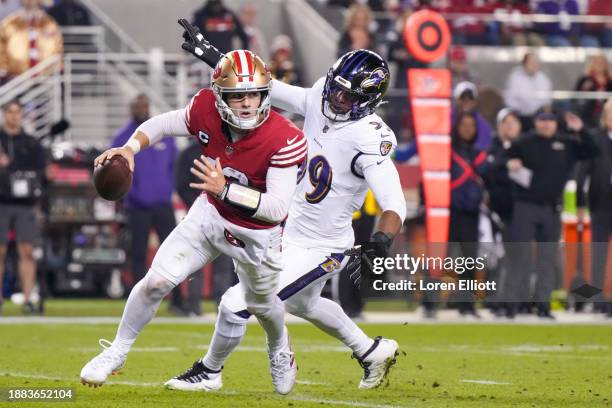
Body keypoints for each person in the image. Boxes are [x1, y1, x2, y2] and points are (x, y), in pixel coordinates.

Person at [167, 21, 406, 392]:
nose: (336, 100)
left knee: (235, 303)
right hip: (286, 230)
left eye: (347, 97)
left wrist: (382, 239)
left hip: (322, 245)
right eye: (336, 89)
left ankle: (209, 371)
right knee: (304, 304)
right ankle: (370, 350)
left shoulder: (369, 138)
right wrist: (215, 56)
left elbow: (394, 202)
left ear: (368, 102)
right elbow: (272, 90)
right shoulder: (318, 98)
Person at [80, 49, 306, 395]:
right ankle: (117, 350)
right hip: (211, 214)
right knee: (155, 281)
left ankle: (279, 349)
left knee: (262, 305)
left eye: (254, 94)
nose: (246, 103)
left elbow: (276, 209)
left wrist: (226, 189)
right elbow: (161, 125)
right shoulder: (204, 109)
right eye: (237, 95)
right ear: (220, 98)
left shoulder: (284, 137)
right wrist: (129, 149)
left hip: (257, 234)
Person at [506, 107, 598, 318]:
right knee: (520, 255)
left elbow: (593, 151)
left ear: (556, 123)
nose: (546, 123)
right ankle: (512, 303)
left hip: (551, 208)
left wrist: (581, 130)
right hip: (526, 205)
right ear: (536, 122)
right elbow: (502, 161)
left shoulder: (566, 143)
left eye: (550, 120)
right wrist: (510, 163)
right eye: (542, 119)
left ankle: (543, 305)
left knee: (547, 259)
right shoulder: (524, 142)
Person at [111, 94, 184, 314]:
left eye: (144, 105)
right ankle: (139, 304)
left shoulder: (164, 134)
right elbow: (114, 171)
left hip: (163, 205)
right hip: (137, 206)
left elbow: (175, 166)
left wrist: (168, 189)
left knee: (174, 253)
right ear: (131, 109)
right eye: (137, 106)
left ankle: (179, 301)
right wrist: (129, 196)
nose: (141, 109)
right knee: (138, 255)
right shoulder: (123, 137)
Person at [0, 100, 46, 314]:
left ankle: (28, 298)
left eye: (18, 112)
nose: (14, 116)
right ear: (4, 114)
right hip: (2, 201)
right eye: (10, 112)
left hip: (25, 203)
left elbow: (41, 171)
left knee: (27, 251)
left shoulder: (31, 142)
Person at [449, 111, 489, 317]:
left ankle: (466, 305)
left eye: (471, 126)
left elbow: (489, 177)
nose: (467, 129)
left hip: (470, 213)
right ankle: (429, 305)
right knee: (438, 257)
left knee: (469, 260)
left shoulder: (479, 154)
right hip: (447, 211)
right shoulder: (447, 151)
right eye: (464, 125)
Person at [576, 99, 612, 317]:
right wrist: (581, 202)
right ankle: (597, 298)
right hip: (601, 202)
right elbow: (582, 173)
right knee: (599, 252)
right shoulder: (595, 140)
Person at [0, 0, 63, 83]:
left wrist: (58, 67)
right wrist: (3, 68)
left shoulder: (49, 23)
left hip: (45, 79)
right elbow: (1, 48)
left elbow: (57, 49)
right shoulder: (9, 23)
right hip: (15, 79)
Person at [504, 52, 552, 131]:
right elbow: (510, 101)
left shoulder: (543, 78)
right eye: (531, 62)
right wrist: (523, 110)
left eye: (536, 62)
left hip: (539, 116)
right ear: (524, 63)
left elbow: (547, 99)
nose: (534, 65)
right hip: (521, 116)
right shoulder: (515, 78)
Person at [573, 54, 612, 130]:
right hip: (588, 112)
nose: (600, 65)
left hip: (606, 113)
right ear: (592, 63)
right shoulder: (585, 79)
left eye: (602, 62)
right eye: (597, 62)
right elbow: (576, 96)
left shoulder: (610, 81)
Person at [452, 81, 492, 150]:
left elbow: (484, 150)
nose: (466, 101)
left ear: (475, 101)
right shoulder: (446, 121)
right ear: (456, 99)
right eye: (462, 97)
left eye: (470, 98)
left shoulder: (484, 126)